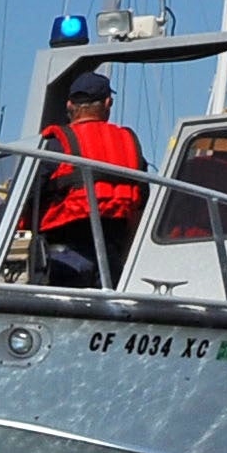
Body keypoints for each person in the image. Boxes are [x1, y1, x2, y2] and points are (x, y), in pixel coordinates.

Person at [31, 69, 145, 289]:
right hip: (112, 260)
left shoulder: (56, 145)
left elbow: (26, 196)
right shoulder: (130, 146)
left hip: (63, 258)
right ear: (108, 103)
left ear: (69, 106)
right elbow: (141, 207)